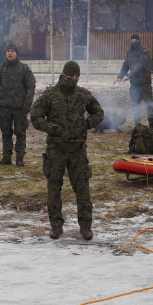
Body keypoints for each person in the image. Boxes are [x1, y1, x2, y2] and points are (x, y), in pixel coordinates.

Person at [30, 60, 105, 240]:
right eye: (71, 75)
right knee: (54, 187)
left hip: (77, 149)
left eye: (77, 76)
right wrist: (51, 128)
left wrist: (86, 124)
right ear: (64, 75)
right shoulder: (50, 95)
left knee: (82, 188)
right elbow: (35, 116)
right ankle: (56, 226)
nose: (74, 79)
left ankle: (85, 226)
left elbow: (99, 112)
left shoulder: (83, 95)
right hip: (56, 148)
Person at [0, 42, 36, 166]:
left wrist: (27, 105)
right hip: (4, 108)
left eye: (12, 51)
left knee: (20, 133)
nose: (10, 53)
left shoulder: (24, 69)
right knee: (6, 133)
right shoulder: (0, 70)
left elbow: (30, 88)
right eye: (8, 51)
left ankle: (20, 158)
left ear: (16, 53)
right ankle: (6, 157)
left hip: (20, 108)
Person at [116, 33, 153, 128]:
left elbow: (140, 65)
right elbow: (126, 65)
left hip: (144, 83)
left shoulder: (144, 51)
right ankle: (138, 126)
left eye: (135, 41)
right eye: (132, 41)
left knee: (149, 104)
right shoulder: (130, 52)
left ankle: (152, 125)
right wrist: (120, 76)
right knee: (136, 105)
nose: (133, 42)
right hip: (134, 84)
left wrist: (129, 75)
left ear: (138, 41)